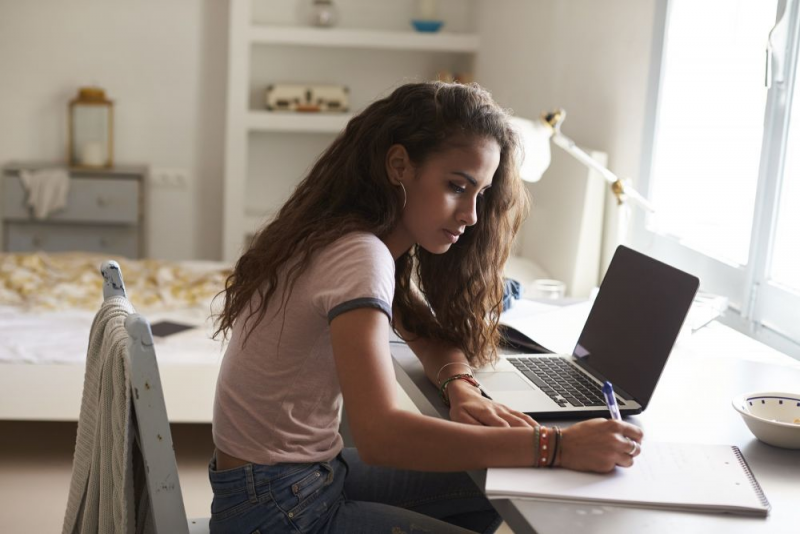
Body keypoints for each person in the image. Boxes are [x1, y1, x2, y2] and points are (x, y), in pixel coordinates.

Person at [209, 81, 644, 534]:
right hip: (278, 508)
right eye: (457, 186)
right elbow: (381, 435)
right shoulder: (361, 254)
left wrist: (460, 383)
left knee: (487, 483)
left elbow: (423, 330)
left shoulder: (344, 235)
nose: (472, 215)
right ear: (399, 165)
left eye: (481, 193)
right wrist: (554, 446)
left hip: (281, 484)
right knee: (506, 468)